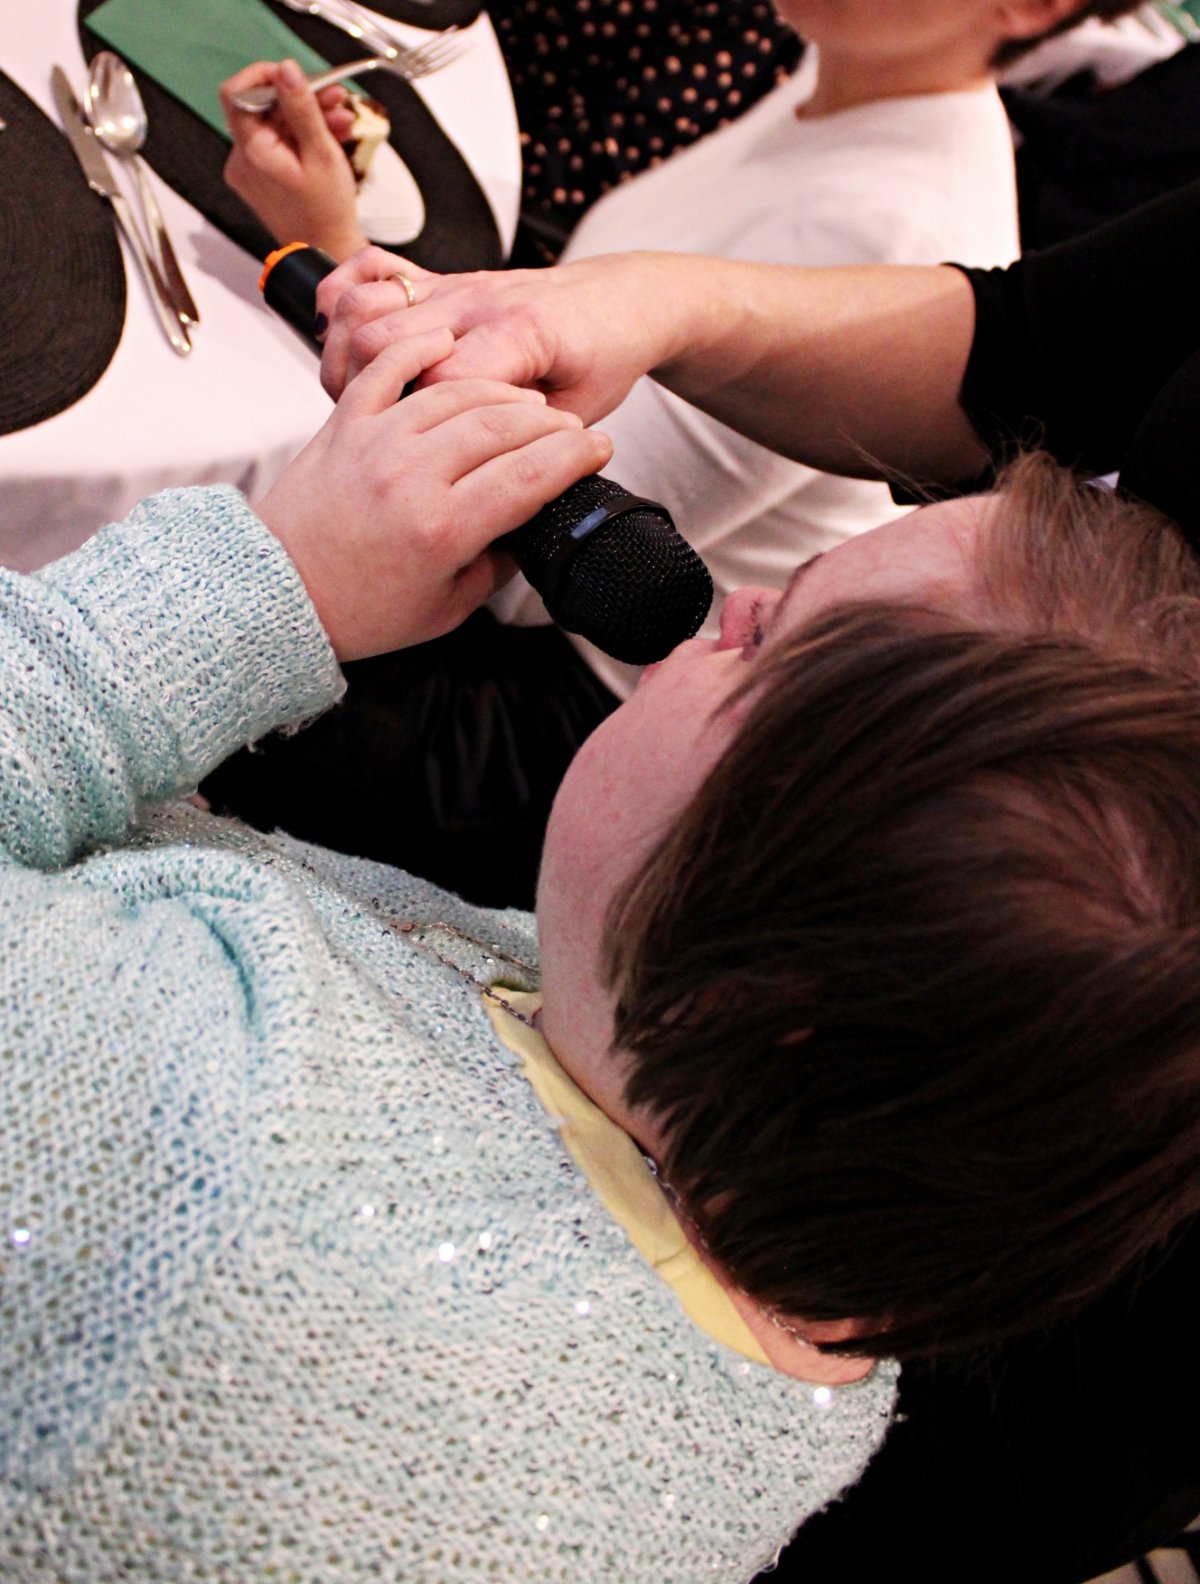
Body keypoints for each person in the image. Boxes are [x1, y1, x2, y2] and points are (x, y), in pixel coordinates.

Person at [8, 291, 1200, 1575]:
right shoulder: (795, 1342)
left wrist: (268, 587)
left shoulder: (201, 1151)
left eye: (770, 642)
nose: (734, 603)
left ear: (756, 991)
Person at [210, 0, 1142, 908]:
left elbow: (522, 546)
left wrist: (334, 248)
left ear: (1032, 10)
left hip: (566, 696)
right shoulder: (838, 73)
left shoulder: (901, 220)